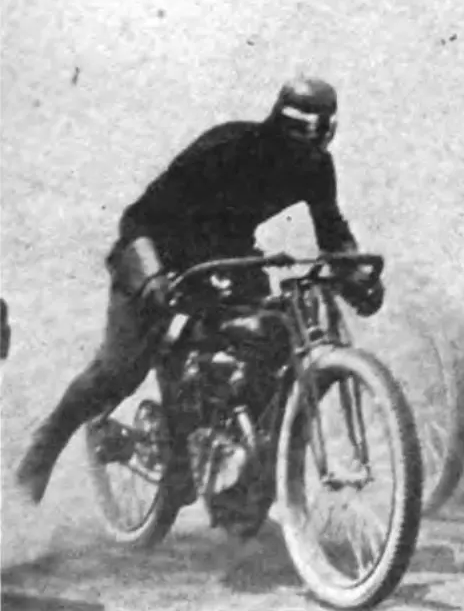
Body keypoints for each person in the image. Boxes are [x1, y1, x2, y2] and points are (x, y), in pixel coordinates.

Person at [11, 76, 386, 510]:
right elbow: (138, 219)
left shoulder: (317, 166)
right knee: (119, 372)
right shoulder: (227, 148)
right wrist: (153, 276)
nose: (305, 151)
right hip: (156, 251)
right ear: (278, 125)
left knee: (269, 339)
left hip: (229, 259)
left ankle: (236, 481)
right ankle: (39, 457)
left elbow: (332, 230)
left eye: (317, 139)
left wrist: (353, 272)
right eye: (298, 136)